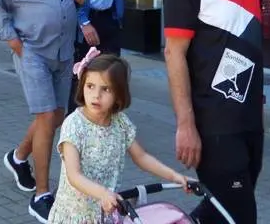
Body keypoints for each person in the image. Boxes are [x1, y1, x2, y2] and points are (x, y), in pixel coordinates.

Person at [163, 0, 263, 224]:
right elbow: (174, 54)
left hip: (249, 117)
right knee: (239, 215)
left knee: (221, 210)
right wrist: (185, 125)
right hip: (214, 123)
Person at [0, 0, 86, 223]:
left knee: (56, 115)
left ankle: (18, 157)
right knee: (47, 116)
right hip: (32, 49)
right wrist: (15, 44)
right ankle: (42, 194)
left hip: (64, 50)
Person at [48, 50, 189, 223]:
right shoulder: (74, 125)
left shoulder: (120, 123)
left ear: (118, 94)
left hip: (105, 213)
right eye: (90, 86)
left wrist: (174, 176)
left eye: (105, 89)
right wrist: (103, 193)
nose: (96, 95)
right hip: (74, 216)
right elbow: (74, 175)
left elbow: (141, 157)